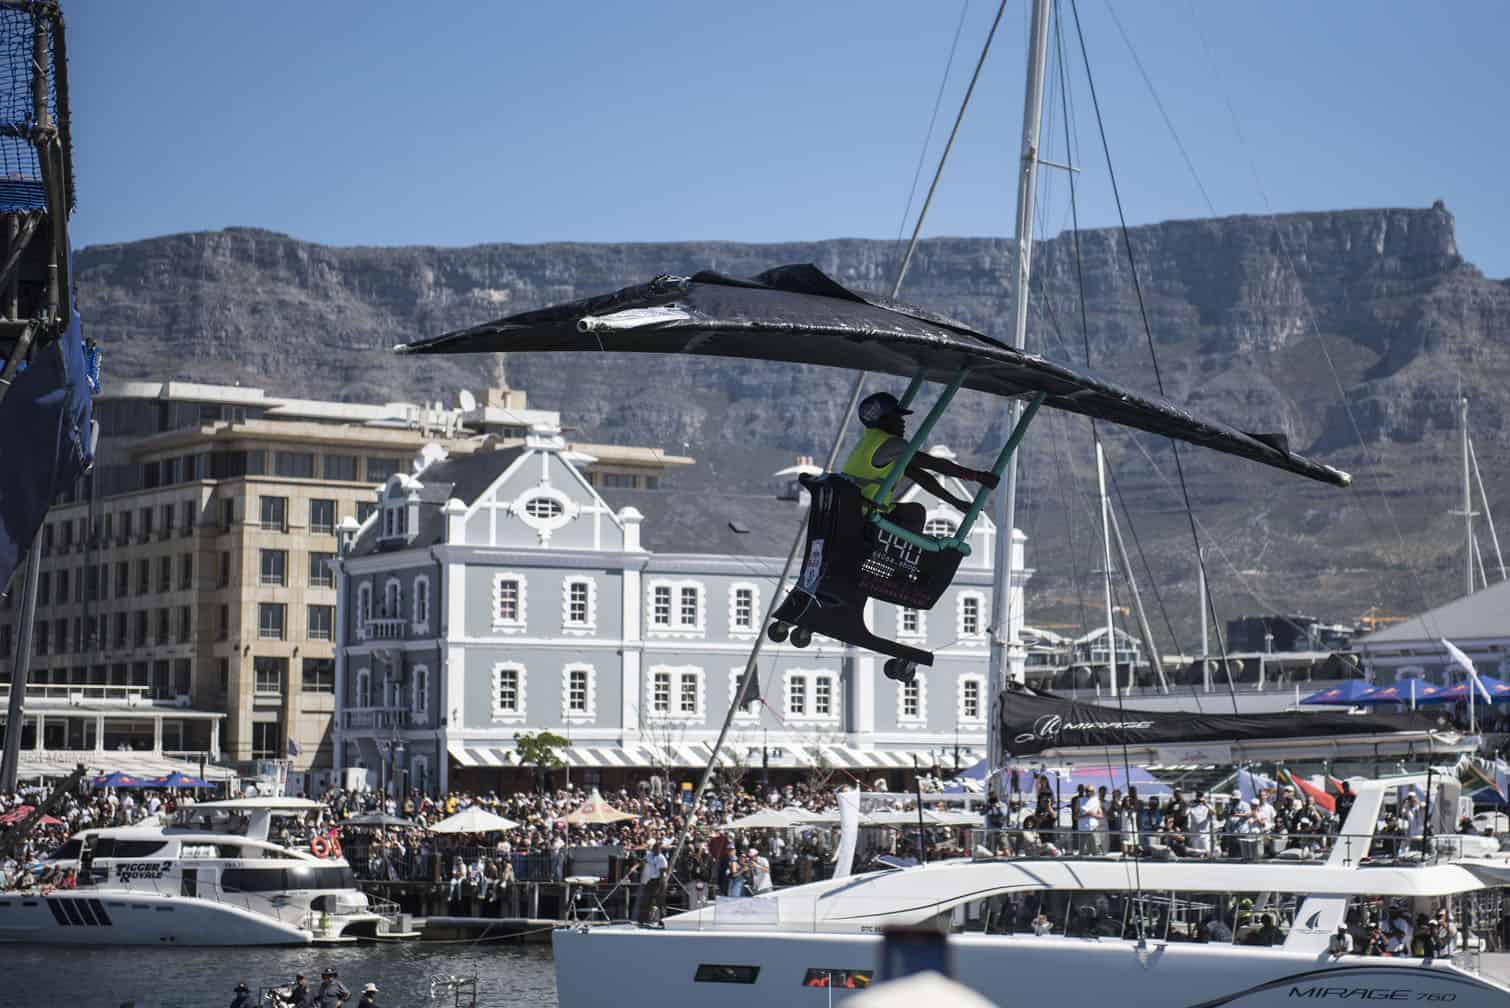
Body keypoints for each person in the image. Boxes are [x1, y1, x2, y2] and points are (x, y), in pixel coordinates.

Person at [840, 392, 999, 536]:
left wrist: (956, 503)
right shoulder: (892, 444)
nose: (903, 423)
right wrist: (977, 476)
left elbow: (921, 476)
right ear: (883, 419)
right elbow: (933, 464)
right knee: (915, 513)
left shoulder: (869, 441)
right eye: (897, 417)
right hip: (865, 517)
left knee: (913, 511)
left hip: (854, 513)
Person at [633, 841, 668, 923]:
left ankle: (663, 920)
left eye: (657, 849)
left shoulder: (662, 859)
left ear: (660, 850)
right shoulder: (649, 855)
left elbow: (662, 873)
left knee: (660, 901)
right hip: (651, 880)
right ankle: (643, 919)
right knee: (646, 899)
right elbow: (643, 861)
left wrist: (660, 887)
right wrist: (636, 866)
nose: (655, 850)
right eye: (654, 848)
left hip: (660, 880)